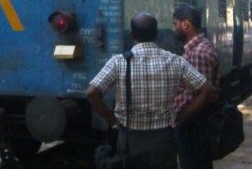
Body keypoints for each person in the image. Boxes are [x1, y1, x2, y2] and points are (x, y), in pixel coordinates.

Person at [87, 12, 214, 168]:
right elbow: (206, 90)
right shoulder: (175, 61)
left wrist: (113, 121)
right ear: (156, 34)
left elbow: (92, 92)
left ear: (133, 34)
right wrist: (182, 116)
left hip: (129, 139)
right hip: (164, 140)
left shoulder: (119, 62)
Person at [173, 4, 219, 169]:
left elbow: (203, 94)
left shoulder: (198, 52)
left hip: (193, 126)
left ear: (186, 24)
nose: (174, 29)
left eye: (175, 24)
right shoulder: (195, 49)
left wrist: (181, 120)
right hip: (193, 125)